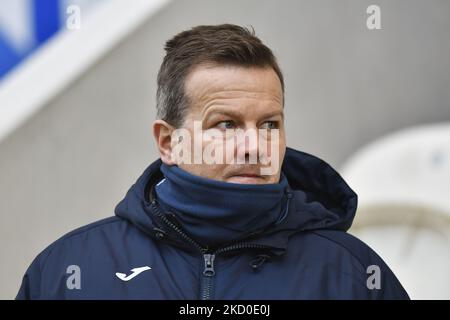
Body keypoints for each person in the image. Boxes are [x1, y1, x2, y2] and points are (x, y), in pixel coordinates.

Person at [17, 24, 409, 300]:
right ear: (168, 142)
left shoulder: (352, 274)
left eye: (270, 124)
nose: (255, 146)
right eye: (226, 125)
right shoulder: (69, 272)